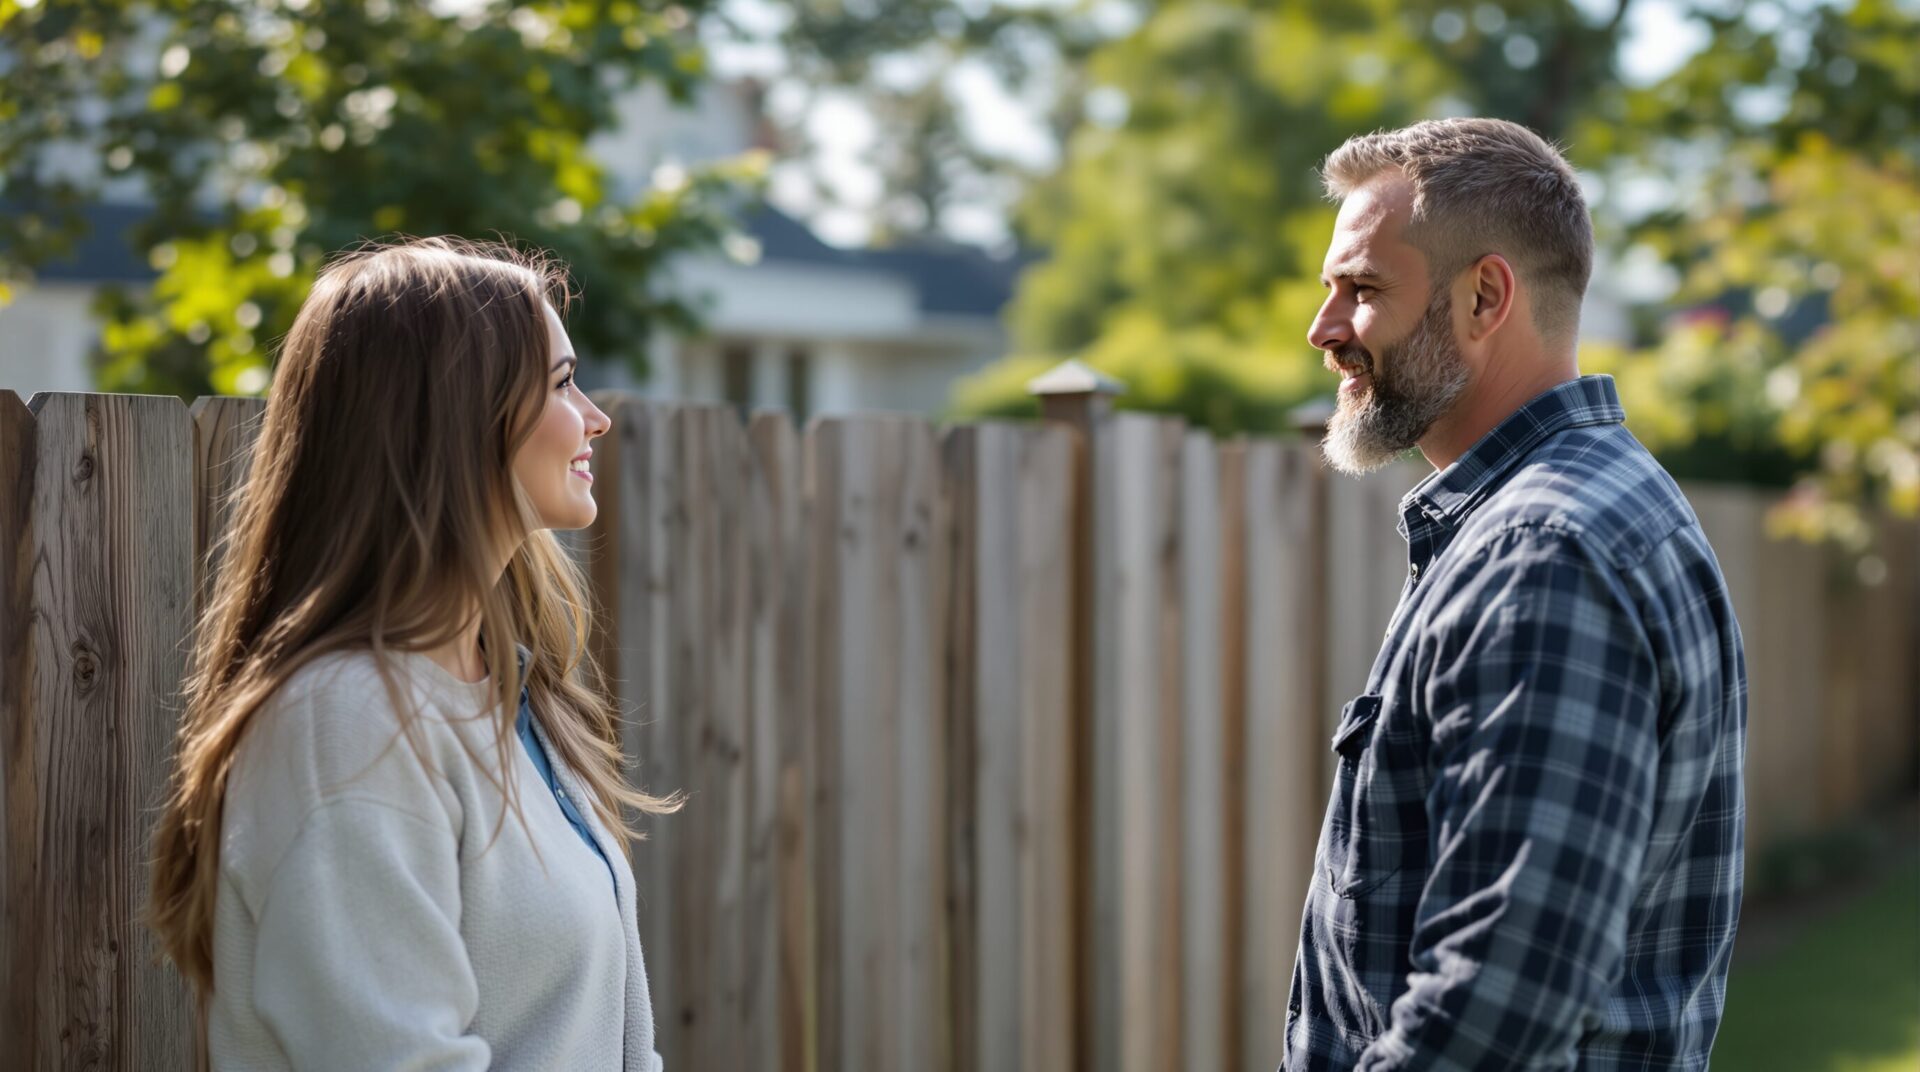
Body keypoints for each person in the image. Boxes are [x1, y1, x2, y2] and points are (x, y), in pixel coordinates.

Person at [146, 237, 678, 1071]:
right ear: (457, 414)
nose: (596, 417)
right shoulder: (347, 725)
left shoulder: (517, 701)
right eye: (564, 383)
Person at [1284, 118, 1746, 1070]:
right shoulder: (1580, 508)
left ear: (1485, 296)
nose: (1324, 330)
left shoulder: (1543, 554)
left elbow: (1497, 1010)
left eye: (1363, 289)